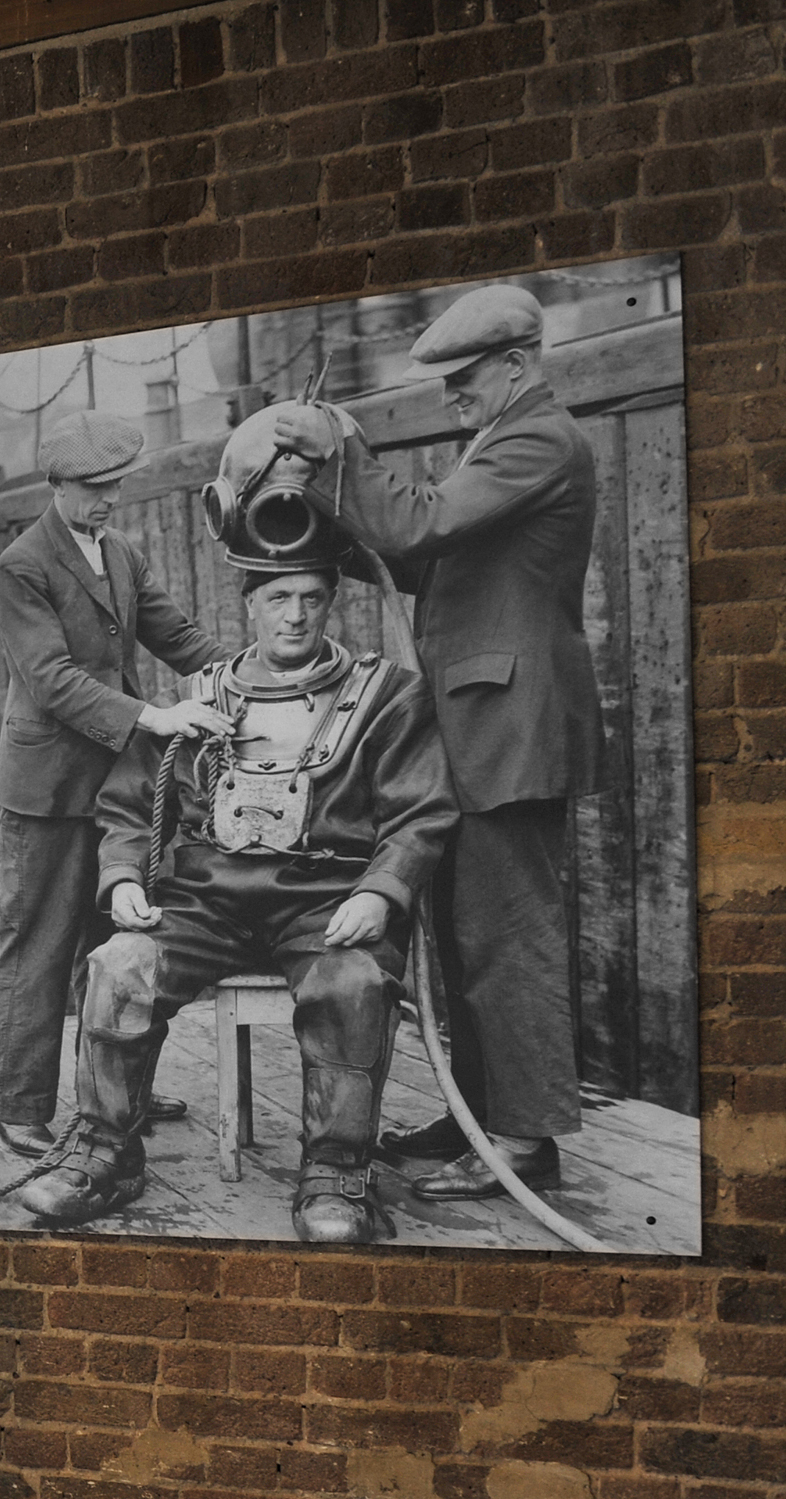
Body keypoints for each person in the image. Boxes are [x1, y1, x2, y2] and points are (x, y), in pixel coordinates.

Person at [13, 547, 457, 1243]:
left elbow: (419, 813)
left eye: (311, 597)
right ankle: (104, 1152)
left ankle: (337, 1172)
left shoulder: (386, 696)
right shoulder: (202, 699)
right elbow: (128, 807)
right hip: (203, 901)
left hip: (323, 900)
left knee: (351, 984)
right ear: (248, 603)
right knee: (119, 966)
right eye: (278, 598)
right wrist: (124, 877)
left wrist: (381, 891)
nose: (295, 614)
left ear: (331, 599)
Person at [272, 283, 601, 1199]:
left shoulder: (539, 437)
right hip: (478, 728)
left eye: (464, 381)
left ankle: (522, 1145)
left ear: (516, 364)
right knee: (466, 939)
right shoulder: (495, 443)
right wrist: (328, 526)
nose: (452, 398)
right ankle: (480, 1114)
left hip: (510, 728)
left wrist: (343, 450)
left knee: (507, 939)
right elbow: (418, 559)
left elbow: (420, 521)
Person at [0, 408, 231, 1159]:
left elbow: (177, 636)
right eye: (93, 488)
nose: (107, 499)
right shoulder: (19, 566)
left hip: (117, 790)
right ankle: (18, 1103)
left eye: (115, 485)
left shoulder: (119, 550)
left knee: (119, 942)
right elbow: (52, 680)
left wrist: (242, 675)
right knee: (39, 946)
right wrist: (152, 718)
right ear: (55, 484)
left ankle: (118, 1085)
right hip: (48, 791)